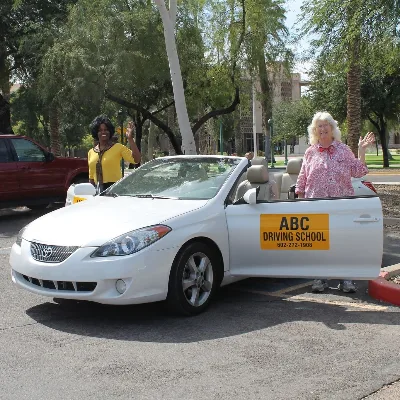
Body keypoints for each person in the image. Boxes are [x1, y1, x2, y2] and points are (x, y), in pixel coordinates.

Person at [295, 111, 375, 293]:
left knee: (343, 242)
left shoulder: (343, 149)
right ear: (315, 130)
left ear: (332, 129)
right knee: (319, 243)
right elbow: (302, 178)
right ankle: (320, 278)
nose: (322, 129)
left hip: (342, 204)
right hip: (317, 205)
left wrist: (361, 151)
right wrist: (301, 202)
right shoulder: (310, 152)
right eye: (319, 126)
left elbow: (358, 171)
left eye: (326, 125)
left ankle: (346, 280)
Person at [88, 115, 141, 193]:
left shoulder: (118, 147)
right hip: (97, 192)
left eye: (106, 129)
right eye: (100, 130)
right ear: (96, 132)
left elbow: (136, 160)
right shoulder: (91, 152)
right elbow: (91, 178)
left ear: (110, 131)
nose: (103, 132)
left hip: (115, 190)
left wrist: (130, 139)